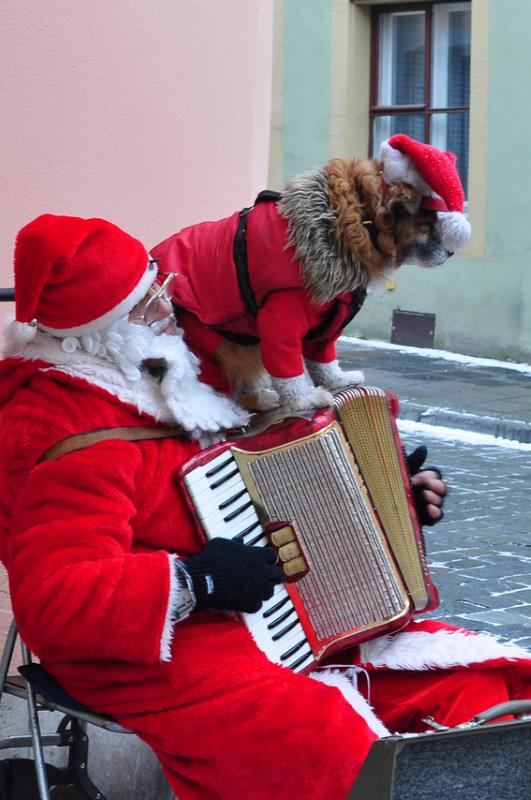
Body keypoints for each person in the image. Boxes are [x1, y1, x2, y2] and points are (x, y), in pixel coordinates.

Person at [0, 214, 529, 800]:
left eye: (158, 284)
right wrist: (195, 581)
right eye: (149, 302)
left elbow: (265, 468)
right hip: (158, 642)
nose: (169, 306)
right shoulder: (58, 426)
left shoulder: (170, 368)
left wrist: (388, 499)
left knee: (478, 690)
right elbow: (55, 601)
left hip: (275, 604)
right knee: (320, 741)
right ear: (102, 332)